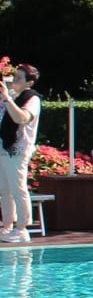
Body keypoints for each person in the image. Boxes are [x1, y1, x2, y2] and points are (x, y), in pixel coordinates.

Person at [0, 63, 40, 244]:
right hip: (4, 146)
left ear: (29, 83)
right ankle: (7, 226)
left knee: (18, 188)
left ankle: (22, 229)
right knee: (4, 189)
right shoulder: (11, 96)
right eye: (14, 77)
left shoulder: (32, 99)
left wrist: (7, 99)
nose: (14, 80)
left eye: (19, 78)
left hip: (18, 148)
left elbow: (21, 118)